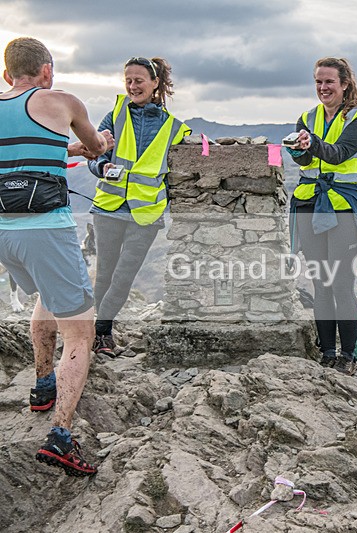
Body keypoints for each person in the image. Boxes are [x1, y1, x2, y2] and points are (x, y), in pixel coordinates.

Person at [0, 37, 110, 475]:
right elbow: (98, 148)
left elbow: (23, 152)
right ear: (47, 71)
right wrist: (95, 141)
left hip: (3, 226)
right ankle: (61, 435)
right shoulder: (61, 100)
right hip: (45, 227)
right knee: (81, 332)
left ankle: (43, 385)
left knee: (47, 293)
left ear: (7, 75)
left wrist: (67, 152)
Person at [287, 57, 357, 375]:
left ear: (345, 84)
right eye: (318, 81)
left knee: (342, 283)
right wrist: (298, 149)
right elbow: (305, 162)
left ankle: (347, 356)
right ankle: (327, 352)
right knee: (320, 283)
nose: (322, 87)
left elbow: (339, 153)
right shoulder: (307, 116)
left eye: (329, 81)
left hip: (343, 205)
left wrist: (312, 143)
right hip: (309, 203)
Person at [87, 56, 190, 357]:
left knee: (124, 275)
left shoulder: (174, 128)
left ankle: (99, 330)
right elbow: (94, 154)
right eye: (128, 80)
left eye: (139, 81)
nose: (133, 86)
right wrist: (102, 167)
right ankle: (102, 334)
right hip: (108, 206)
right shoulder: (114, 116)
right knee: (104, 272)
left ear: (155, 83)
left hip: (145, 213)